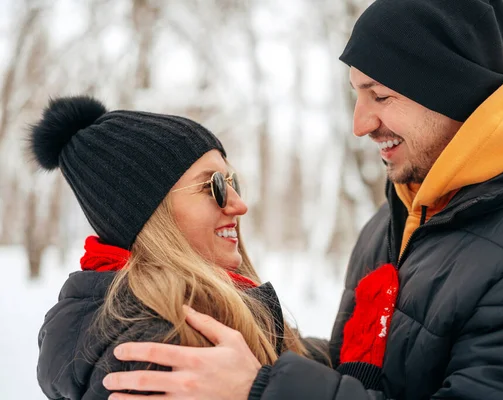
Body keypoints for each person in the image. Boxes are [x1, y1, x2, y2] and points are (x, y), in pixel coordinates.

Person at [100, 0, 503, 399]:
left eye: (380, 96)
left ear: (454, 91)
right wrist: (243, 349)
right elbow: (369, 373)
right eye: (356, 96)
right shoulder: (404, 215)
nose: (360, 124)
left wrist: (261, 390)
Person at [33, 95, 327, 400]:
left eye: (232, 182)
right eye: (213, 186)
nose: (239, 206)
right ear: (150, 215)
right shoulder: (160, 345)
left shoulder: (194, 311)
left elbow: (303, 360)